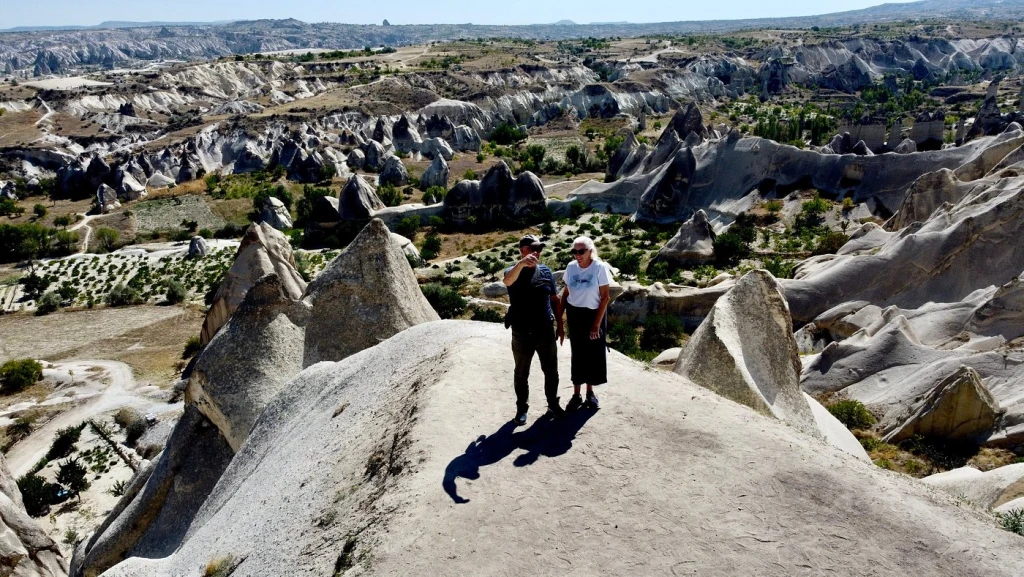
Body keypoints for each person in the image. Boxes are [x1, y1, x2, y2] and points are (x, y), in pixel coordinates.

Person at [503, 235, 565, 426]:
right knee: (521, 373)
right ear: (522, 250)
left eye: (539, 249)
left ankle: (553, 404)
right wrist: (521, 264)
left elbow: (554, 299)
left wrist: (561, 326)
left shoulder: (546, 271)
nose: (537, 252)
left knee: (551, 370)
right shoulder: (512, 271)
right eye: (532, 249)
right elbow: (507, 281)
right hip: (521, 332)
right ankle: (522, 408)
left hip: (545, 330)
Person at [557, 236, 611, 411]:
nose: (577, 255)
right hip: (575, 314)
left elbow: (605, 298)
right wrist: (560, 319)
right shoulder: (571, 268)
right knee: (578, 353)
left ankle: (590, 392)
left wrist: (596, 325)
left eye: (581, 251)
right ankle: (576, 394)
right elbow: (566, 293)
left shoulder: (599, 268)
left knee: (593, 354)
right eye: (575, 251)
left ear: (590, 251)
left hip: (594, 314)